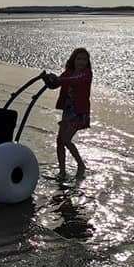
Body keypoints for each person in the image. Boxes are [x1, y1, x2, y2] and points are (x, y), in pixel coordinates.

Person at [42, 48, 92, 178]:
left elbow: (73, 80)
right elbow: (55, 85)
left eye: (84, 59)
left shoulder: (86, 74)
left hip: (79, 113)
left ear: (87, 62)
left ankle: (81, 164)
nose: (81, 62)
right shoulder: (69, 72)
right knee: (60, 141)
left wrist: (59, 79)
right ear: (73, 60)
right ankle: (62, 171)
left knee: (66, 140)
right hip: (68, 111)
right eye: (79, 59)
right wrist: (47, 79)